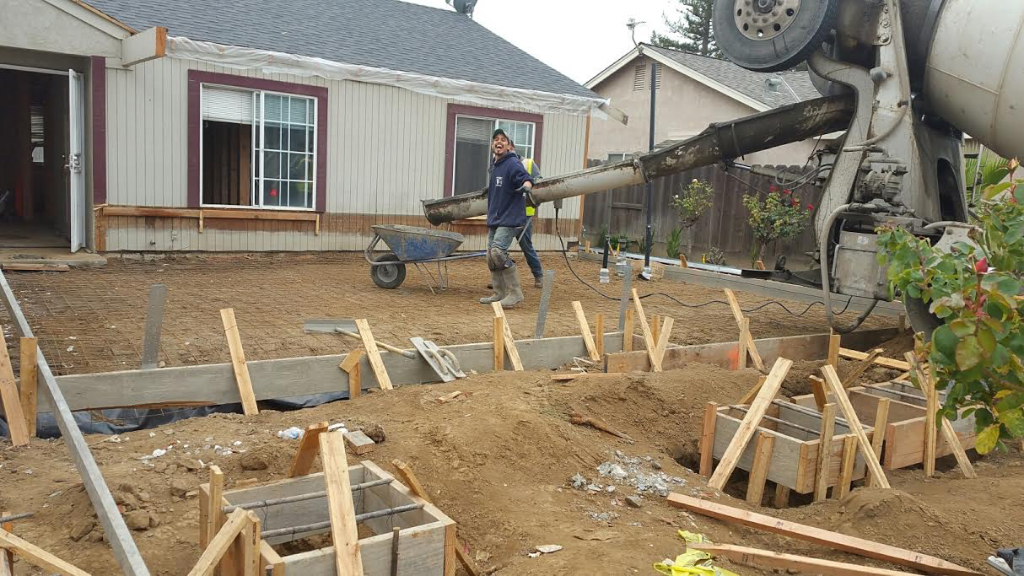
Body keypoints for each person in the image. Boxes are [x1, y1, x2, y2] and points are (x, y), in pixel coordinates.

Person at [479, 129, 534, 307]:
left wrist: (526, 186)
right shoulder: (496, 165)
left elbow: (526, 178)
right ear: (492, 146)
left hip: (509, 217)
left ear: (509, 145)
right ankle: (499, 293)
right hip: (496, 217)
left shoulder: (512, 163)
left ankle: (515, 293)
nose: (499, 142)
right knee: (490, 256)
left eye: (503, 140)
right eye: (496, 139)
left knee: (498, 252)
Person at [509, 142, 544, 288]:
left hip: (524, 214)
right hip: (507, 213)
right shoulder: (501, 165)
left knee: (526, 246)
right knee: (498, 248)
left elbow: (540, 183)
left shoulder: (528, 164)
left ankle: (538, 275)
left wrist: (533, 200)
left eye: (510, 148)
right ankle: (499, 279)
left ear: (513, 148)